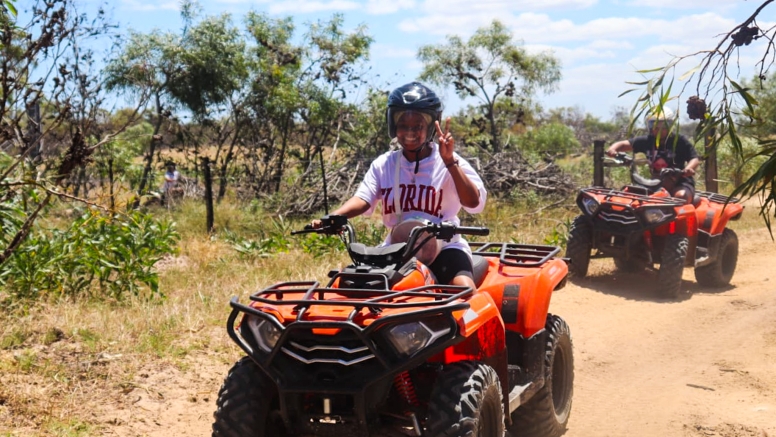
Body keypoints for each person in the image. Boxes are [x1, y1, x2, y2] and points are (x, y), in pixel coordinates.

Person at [314, 82, 487, 288]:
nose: (409, 132)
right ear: (393, 126)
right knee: (354, 286)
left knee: (463, 289)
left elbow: (474, 203)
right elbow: (363, 199)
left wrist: (450, 162)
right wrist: (334, 218)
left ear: (431, 127)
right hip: (396, 249)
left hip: (445, 248)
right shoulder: (385, 164)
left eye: (418, 126)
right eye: (403, 126)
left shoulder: (448, 161)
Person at [606, 107, 701, 203]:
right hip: (655, 182)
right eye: (655, 127)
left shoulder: (679, 140)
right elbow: (623, 144)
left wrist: (688, 169)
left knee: (680, 197)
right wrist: (613, 149)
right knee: (632, 198)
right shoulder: (648, 140)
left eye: (664, 127)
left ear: (670, 126)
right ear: (650, 127)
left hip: (680, 182)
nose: (659, 130)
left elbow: (694, 158)